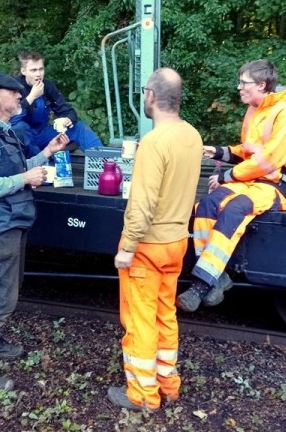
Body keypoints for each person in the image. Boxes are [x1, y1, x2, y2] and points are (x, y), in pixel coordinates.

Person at [0, 69, 69, 391]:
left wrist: (47, 152)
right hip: (1, 224)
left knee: (8, 290)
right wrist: (25, 180)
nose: (20, 96)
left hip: (13, 220)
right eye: (14, 93)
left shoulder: (2, 131)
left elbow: (19, 167)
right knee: (2, 298)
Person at [108, 68, 203, 411]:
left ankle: (142, 395)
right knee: (165, 314)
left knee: (140, 319)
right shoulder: (192, 135)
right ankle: (168, 384)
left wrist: (127, 247)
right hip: (177, 240)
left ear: (150, 95)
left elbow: (143, 204)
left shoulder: (153, 142)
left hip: (147, 247)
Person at [176, 59, 286, 312]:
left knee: (235, 209)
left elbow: (267, 162)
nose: (239, 87)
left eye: (244, 83)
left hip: (276, 186)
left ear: (261, 84)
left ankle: (201, 285)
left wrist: (227, 177)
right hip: (252, 181)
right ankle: (218, 277)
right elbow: (248, 153)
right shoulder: (255, 111)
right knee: (206, 204)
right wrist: (218, 152)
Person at [10, 51, 102, 157]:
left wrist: (68, 119)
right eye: (33, 70)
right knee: (20, 128)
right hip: (20, 139)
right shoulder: (14, 87)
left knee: (79, 127)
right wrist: (31, 97)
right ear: (23, 71)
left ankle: (102, 163)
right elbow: (9, 119)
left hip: (41, 135)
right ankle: (40, 162)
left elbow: (66, 109)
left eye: (41, 69)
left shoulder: (48, 86)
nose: (38, 74)